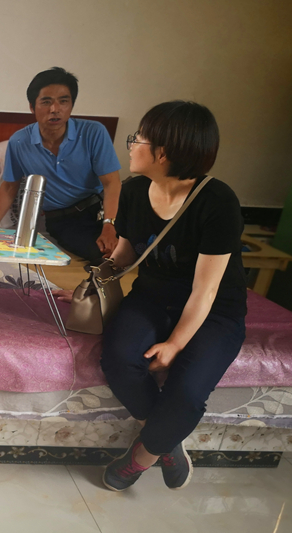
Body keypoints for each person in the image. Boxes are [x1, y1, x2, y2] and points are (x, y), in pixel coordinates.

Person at [98, 101, 246, 491]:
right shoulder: (133, 192)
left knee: (188, 389)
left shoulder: (217, 202)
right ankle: (168, 440)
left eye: (138, 139)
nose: (131, 145)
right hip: (151, 299)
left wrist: (175, 344)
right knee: (119, 359)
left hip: (215, 310)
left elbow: (206, 289)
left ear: (162, 152)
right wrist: (94, 283)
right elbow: (126, 253)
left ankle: (141, 457)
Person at [0, 67, 121, 263]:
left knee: (143, 243)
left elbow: (111, 183)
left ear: (71, 105)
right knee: (105, 255)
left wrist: (109, 225)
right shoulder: (19, 142)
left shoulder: (93, 132)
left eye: (63, 101)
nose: (55, 109)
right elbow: (10, 186)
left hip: (103, 207)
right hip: (64, 220)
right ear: (32, 107)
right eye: (46, 102)